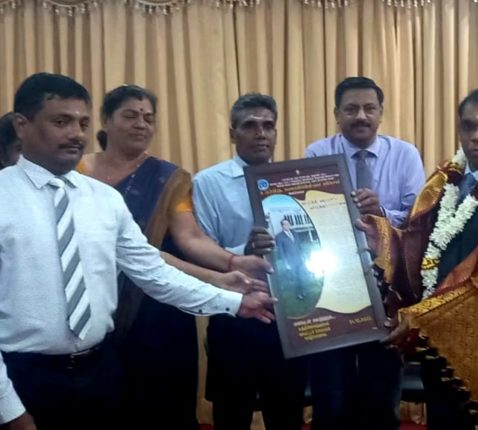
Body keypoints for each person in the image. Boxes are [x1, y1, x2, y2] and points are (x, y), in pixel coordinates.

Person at [0, 73, 276, 430]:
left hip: (99, 372)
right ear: (22, 125)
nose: (76, 134)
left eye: (82, 123)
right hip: (23, 378)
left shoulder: (104, 199)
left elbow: (154, 273)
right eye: (61, 122)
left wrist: (234, 302)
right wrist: (10, 410)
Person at [76, 85, 275, 430]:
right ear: (105, 120)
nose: (141, 124)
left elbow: (190, 238)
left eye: (148, 118)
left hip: (155, 311)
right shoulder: (76, 172)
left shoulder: (168, 178)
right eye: (130, 115)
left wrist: (233, 263)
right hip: (89, 302)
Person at [359, 88, 478, 430]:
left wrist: (424, 317)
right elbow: (418, 247)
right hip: (438, 341)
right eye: (468, 126)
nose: (477, 136)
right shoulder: (444, 180)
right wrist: (382, 237)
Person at [302, 76, 425, 430]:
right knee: (331, 397)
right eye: (351, 109)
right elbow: (308, 216)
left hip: (387, 289)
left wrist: (381, 213)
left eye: (369, 108)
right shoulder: (317, 153)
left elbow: (418, 218)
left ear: (381, 113)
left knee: (381, 395)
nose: (361, 116)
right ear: (336, 114)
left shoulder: (404, 154)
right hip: (333, 288)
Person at [193, 93, 306, 430]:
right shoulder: (208, 183)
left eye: (268, 126)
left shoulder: (293, 179)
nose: (261, 134)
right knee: (232, 414)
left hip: (287, 315)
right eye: (250, 126)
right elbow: (198, 250)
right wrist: (241, 255)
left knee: (287, 414)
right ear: (233, 133)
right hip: (234, 314)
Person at [275, 219, 307, 300]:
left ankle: (303, 292)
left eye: (287, 224)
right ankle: (298, 294)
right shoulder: (279, 236)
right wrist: (286, 263)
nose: (286, 226)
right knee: (295, 278)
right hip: (290, 261)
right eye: (284, 224)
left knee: (302, 276)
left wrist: (303, 255)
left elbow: (299, 245)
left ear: (289, 224)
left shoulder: (295, 233)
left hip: (299, 258)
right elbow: (281, 251)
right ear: (282, 226)